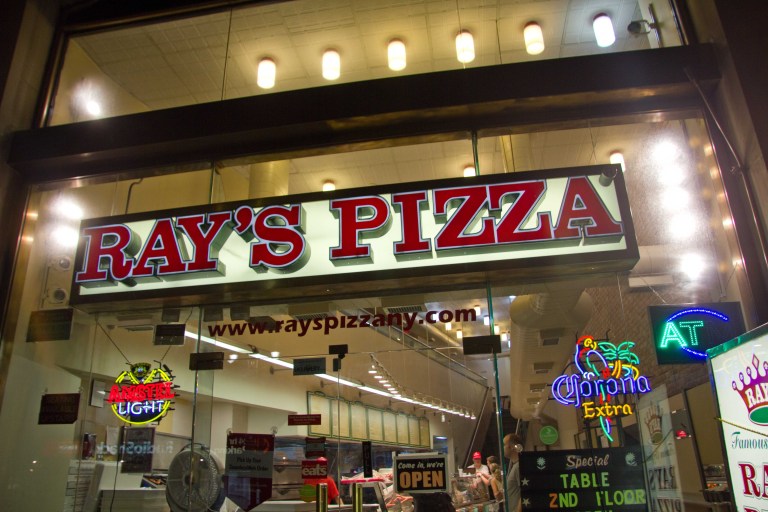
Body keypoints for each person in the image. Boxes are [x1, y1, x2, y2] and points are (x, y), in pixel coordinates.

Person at [503, 433, 523, 512]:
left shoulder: (518, 466)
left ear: (511, 447)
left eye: (504, 445)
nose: (502, 448)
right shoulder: (514, 466)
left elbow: (524, 493)